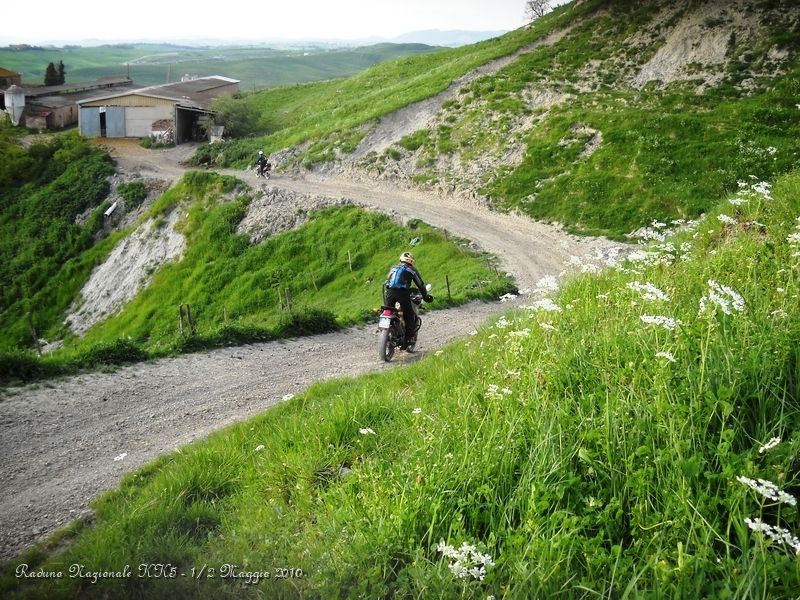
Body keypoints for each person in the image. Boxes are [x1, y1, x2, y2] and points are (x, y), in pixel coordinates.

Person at [384, 252, 433, 348]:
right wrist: (426, 297)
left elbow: (388, 280)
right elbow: (421, 285)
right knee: (409, 315)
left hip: (389, 292)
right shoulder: (411, 270)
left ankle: (386, 329)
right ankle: (407, 340)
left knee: (388, 311)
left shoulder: (394, 268)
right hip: (402, 294)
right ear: (411, 261)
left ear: (401, 260)